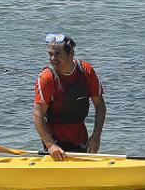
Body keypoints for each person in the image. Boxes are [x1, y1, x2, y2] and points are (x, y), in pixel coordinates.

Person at [34, 33, 106, 161]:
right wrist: (50, 145)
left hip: (81, 137)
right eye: (50, 54)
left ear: (71, 54)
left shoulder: (87, 71)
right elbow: (38, 115)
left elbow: (100, 106)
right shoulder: (46, 78)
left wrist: (96, 136)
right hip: (56, 142)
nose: (53, 58)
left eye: (57, 54)